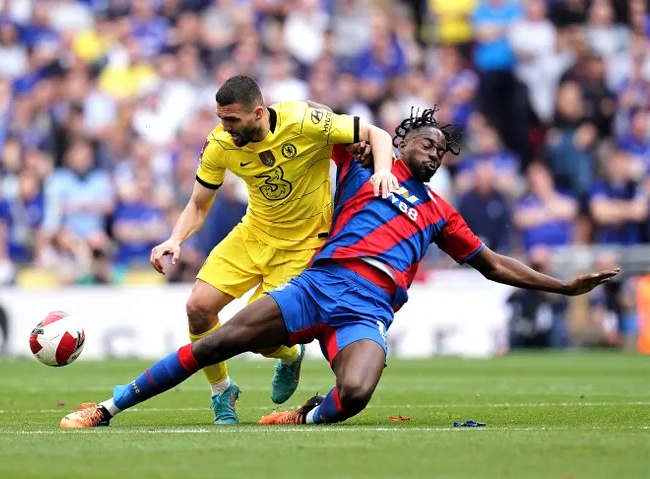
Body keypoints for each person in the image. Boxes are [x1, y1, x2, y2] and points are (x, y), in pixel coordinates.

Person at [60, 107, 618, 429]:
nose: (433, 152)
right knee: (214, 340)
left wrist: (564, 287)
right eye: (426, 142)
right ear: (403, 141)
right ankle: (109, 406)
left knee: (355, 393)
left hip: (368, 308)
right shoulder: (359, 166)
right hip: (318, 282)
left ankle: (304, 416)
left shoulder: (441, 212)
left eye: (441, 150)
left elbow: (493, 264)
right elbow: (312, 130)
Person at [145, 75, 398, 424]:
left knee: (258, 338)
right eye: (221, 119)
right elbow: (199, 205)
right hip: (253, 234)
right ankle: (222, 392)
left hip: (303, 245)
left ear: (259, 113)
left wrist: (383, 171)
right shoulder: (220, 143)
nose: (225, 127)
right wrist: (174, 239)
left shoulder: (303, 122)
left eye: (232, 120)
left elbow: (377, 134)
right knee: (197, 308)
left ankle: (291, 355)